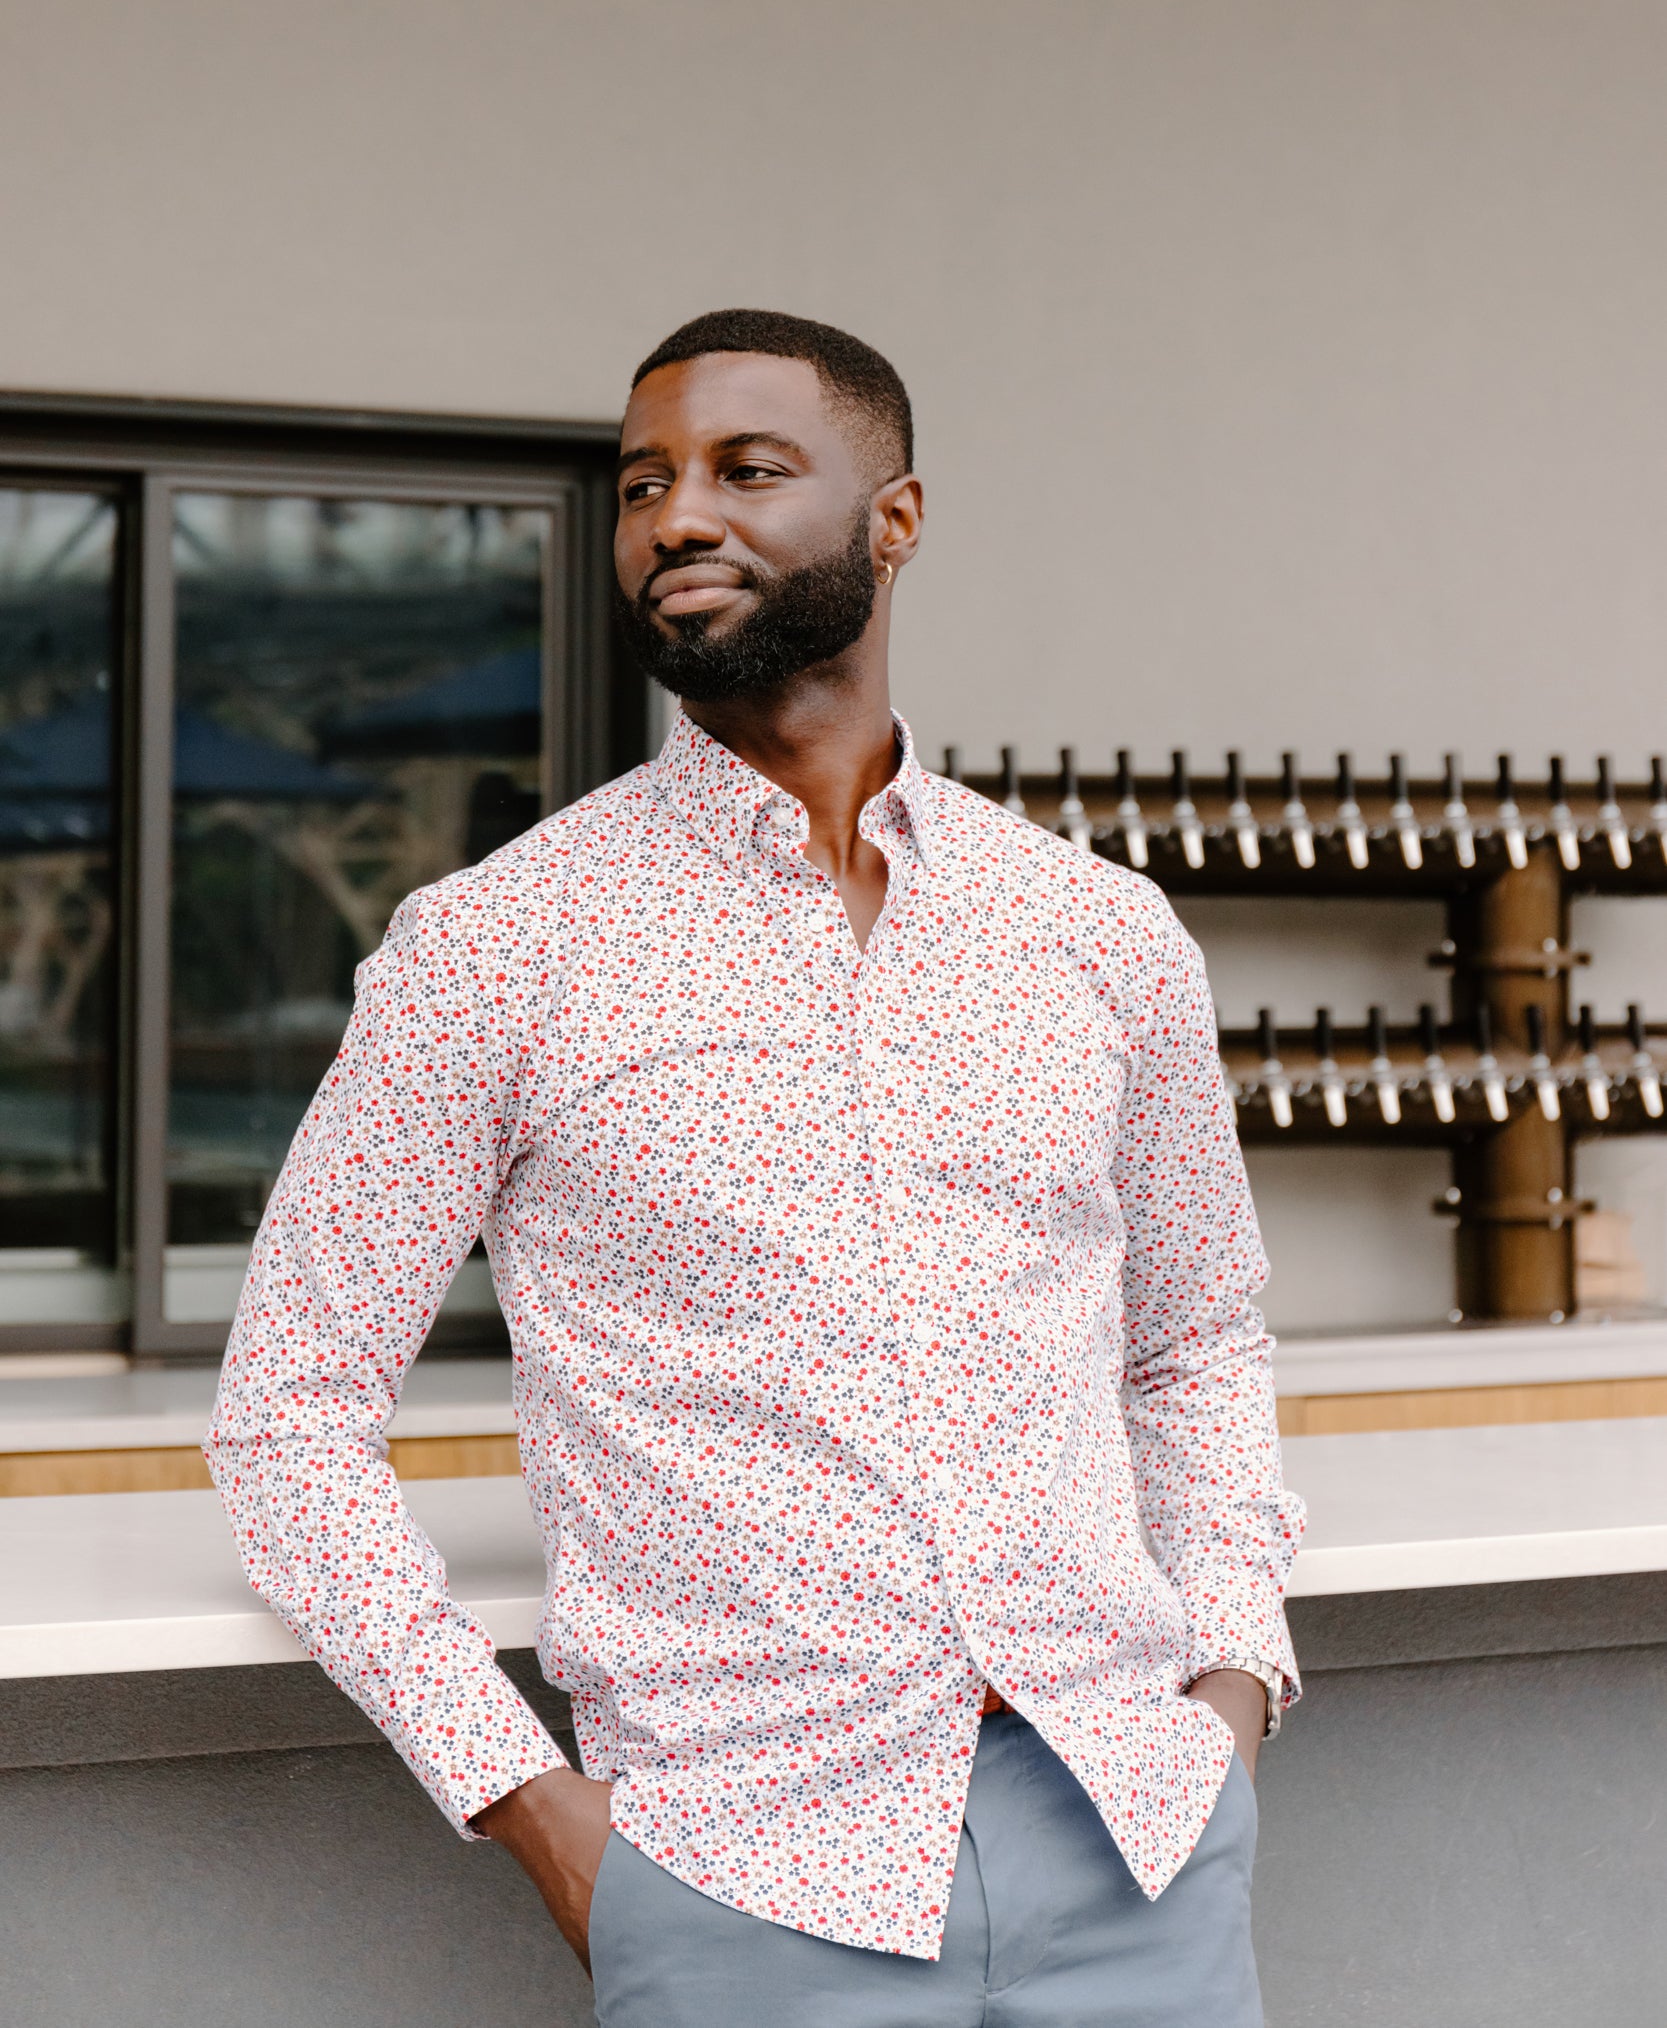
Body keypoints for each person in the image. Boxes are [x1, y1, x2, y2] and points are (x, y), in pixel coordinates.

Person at [207, 308, 1304, 2026]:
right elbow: (289, 1407)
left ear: (898, 516)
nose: (675, 517)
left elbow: (1195, 1341)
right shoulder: (494, 948)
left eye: (747, 467)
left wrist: (1230, 1681)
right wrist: (530, 1803)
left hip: (1138, 1838)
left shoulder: (1100, 936)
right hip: (742, 1880)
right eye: (643, 483)